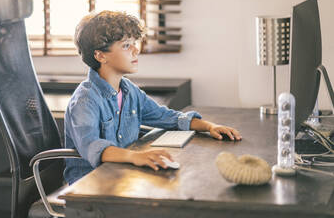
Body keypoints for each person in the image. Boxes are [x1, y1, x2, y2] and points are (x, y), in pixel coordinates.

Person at [64, 10, 241, 185]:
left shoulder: (129, 91)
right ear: (100, 55)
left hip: (122, 177)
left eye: (134, 43)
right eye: (126, 45)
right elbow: (93, 146)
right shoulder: (85, 100)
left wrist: (209, 126)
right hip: (90, 186)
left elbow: (167, 117)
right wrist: (136, 156)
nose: (136, 50)